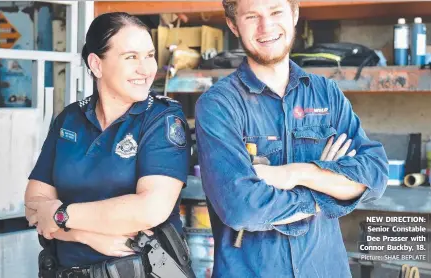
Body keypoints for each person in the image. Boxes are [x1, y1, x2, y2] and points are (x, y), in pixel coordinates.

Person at [195, 0, 389, 277]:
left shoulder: (326, 93)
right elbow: (241, 208)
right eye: (252, 16)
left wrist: (296, 173)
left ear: (294, 14)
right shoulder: (218, 105)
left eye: (276, 12)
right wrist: (329, 188)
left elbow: (375, 176)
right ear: (232, 25)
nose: (266, 26)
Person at [24, 12, 191, 277]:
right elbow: (34, 205)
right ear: (96, 65)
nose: (146, 69)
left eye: (149, 55)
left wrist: (60, 216)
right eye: (131, 57)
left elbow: (150, 209)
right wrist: (84, 235)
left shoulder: (161, 118)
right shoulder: (70, 119)